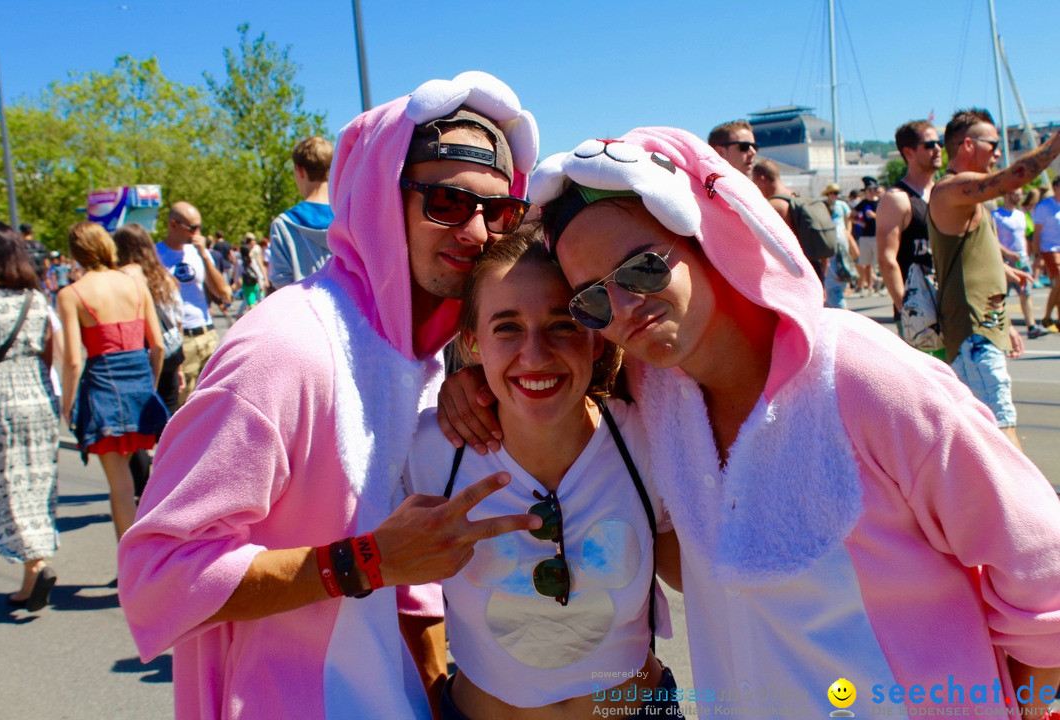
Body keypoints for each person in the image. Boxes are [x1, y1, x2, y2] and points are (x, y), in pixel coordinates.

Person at [440, 130, 1060, 717]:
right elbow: (540, 371)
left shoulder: (862, 378)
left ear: (707, 236)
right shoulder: (659, 392)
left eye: (643, 269)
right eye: (593, 299)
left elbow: (1045, 580)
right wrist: (469, 383)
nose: (625, 308)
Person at [117, 71, 543, 719]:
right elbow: (157, 579)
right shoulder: (286, 348)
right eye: (447, 203)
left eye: (498, 210)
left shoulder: (425, 355)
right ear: (378, 198)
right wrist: (362, 562)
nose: (478, 232)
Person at [406, 229, 681, 719]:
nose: (535, 355)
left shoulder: (651, 440)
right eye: (507, 328)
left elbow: (718, 579)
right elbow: (385, 591)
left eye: (562, 324)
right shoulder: (428, 452)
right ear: (472, 343)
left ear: (596, 338)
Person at [928, 109, 1060, 447]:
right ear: (968, 144)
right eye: (994, 145)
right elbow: (1012, 178)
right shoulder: (950, 190)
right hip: (973, 335)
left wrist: (1004, 324)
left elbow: (974, 262)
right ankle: (1025, 502)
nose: (999, 153)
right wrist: (1054, 146)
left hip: (983, 330)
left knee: (989, 435)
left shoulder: (971, 201)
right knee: (1002, 432)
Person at [57, 222, 168, 541]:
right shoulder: (135, 283)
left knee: (120, 486)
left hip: (103, 387)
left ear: (75, 253)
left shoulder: (71, 294)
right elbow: (157, 346)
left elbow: (74, 360)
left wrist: (68, 405)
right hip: (140, 384)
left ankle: (131, 565)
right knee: (151, 477)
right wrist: (150, 386)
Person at [0, 221, 60, 612]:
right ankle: (32, 575)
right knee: (37, 483)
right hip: (38, 394)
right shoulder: (37, 300)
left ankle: (36, 561)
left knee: (6, 487)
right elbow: (51, 352)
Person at [114, 223, 185, 497]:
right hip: (169, 357)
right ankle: (171, 488)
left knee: (135, 435)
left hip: (142, 362)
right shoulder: (164, 277)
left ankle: (148, 492)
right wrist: (176, 364)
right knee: (166, 431)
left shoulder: (123, 282)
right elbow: (176, 321)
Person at [876, 120, 945, 353]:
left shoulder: (943, 193)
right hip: (921, 315)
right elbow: (887, 260)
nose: (938, 149)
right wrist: (908, 311)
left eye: (940, 143)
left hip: (950, 309)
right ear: (909, 152)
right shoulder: (897, 199)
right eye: (930, 144)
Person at [155, 201, 231, 406]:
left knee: (213, 402)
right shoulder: (155, 255)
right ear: (173, 225)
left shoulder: (198, 253)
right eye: (192, 228)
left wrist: (204, 256)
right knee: (184, 403)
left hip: (207, 334)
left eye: (200, 228)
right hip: (181, 339)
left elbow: (223, 292)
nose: (197, 233)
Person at [270, 136, 336, 289]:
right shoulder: (348, 217)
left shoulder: (283, 224)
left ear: (299, 170)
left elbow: (281, 282)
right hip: (352, 310)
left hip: (304, 310)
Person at [993, 189, 1047, 338]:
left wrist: (1027, 254)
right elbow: (992, 240)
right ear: (1006, 195)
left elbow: (1023, 237)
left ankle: (1031, 326)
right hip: (1004, 261)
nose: (1019, 197)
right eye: (1015, 194)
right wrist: (1007, 253)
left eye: (1020, 194)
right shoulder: (996, 215)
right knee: (1001, 296)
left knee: (1026, 293)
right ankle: (1003, 329)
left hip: (1021, 259)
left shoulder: (1021, 215)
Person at [820, 182, 857, 309]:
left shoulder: (842, 205)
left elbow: (848, 221)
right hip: (830, 236)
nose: (835, 195)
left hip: (841, 235)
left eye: (836, 193)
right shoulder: (824, 205)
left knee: (841, 262)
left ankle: (844, 285)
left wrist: (848, 234)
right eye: (833, 193)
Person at [1032, 175, 1060, 330]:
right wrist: (1037, 253)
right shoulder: (1044, 206)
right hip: (1050, 249)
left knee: (1058, 286)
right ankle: (1048, 315)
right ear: (1056, 188)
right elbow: (1037, 232)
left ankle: (1052, 318)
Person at [854, 176, 882, 294]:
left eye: (872, 190)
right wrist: (859, 222)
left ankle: (882, 283)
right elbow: (851, 216)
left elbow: (886, 218)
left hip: (878, 235)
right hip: (865, 235)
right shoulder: (863, 203)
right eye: (868, 190)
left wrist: (875, 216)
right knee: (866, 262)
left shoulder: (881, 202)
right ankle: (870, 285)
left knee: (879, 262)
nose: (870, 192)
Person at [234, 242, 266, 317]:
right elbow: (257, 273)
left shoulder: (240, 262)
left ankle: (252, 318)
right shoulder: (251, 260)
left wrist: (236, 283)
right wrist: (262, 284)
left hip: (246, 285)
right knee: (252, 301)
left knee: (250, 303)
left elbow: (237, 274)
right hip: (255, 284)